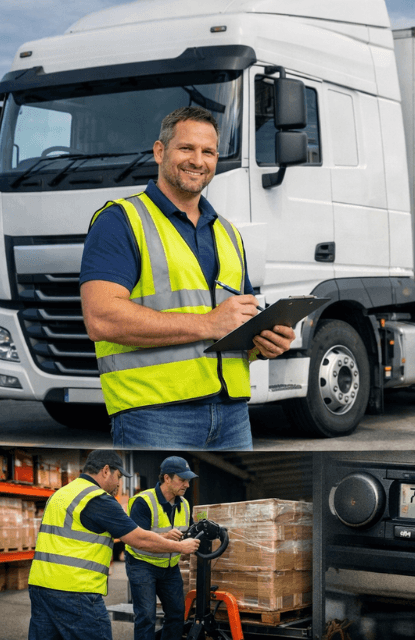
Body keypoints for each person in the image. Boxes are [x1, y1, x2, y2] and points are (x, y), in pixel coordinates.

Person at [80, 107, 295, 449]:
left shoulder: (227, 232)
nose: (198, 160)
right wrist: (208, 324)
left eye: (208, 152)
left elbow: (234, 322)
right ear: (160, 152)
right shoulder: (120, 221)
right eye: (186, 149)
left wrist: (263, 341)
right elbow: (101, 319)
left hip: (233, 414)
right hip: (154, 414)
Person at [28, 450, 200, 640]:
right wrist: (181, 547)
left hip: (40, 586)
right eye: (118, 476)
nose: (118, 483)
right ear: (105, 470)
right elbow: (138, 539)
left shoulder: (61, 494)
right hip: (76, 590)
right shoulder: (97, 499)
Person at [126, 456, 198, 640]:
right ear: (167, 478)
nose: (187, 485)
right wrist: (170, 540)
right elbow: (138, 540)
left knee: (176, 614)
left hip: (169, 567)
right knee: (146, 617)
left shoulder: (185, 504)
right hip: (142, 565)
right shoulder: (143, 502)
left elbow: (188, 533)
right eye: (182, 480)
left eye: (188, 480)